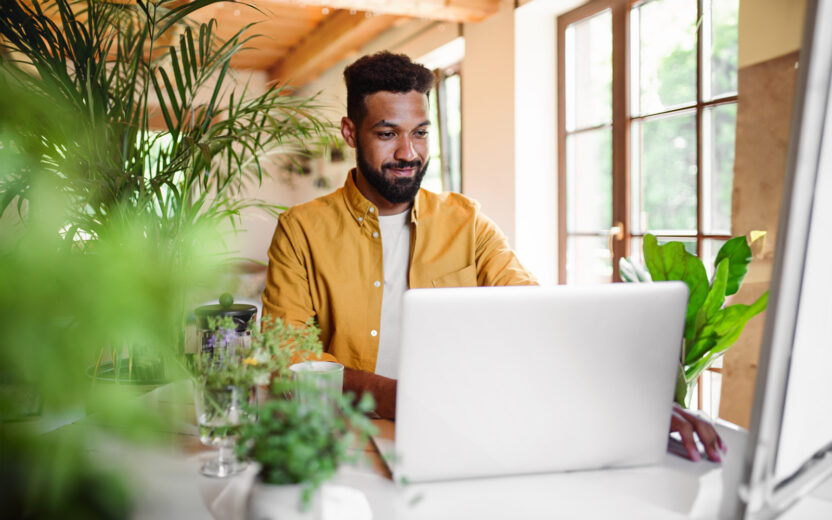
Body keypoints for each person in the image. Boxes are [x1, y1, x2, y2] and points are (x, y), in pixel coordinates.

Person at [263, 51, 726, 463]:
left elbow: (535, 316)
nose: (408, 153)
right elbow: (290, 359)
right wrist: (403, 399)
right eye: (387, 134)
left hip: (465, 437)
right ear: (350, 131)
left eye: (420, 134)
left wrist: (629, 397)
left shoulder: (466, 221)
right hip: (344, 444)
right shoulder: (301, 230)